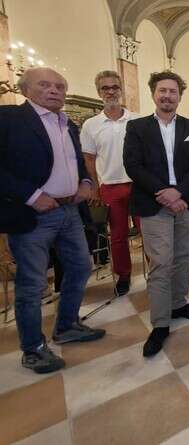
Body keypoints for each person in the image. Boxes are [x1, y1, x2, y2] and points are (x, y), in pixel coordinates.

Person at [0, 67, 105, 374]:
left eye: (60, 86)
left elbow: (76, 162)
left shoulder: (67, 123)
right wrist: (31, 196)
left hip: (68, 211)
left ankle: (67, 325)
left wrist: (85, 183)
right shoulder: (9, 119)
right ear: (25, 89)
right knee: (32, 284)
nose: (54, 90)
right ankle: (32, 348)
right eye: (45, 85)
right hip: (32, 214)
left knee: (81, 267)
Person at [123, 71, 189, 357]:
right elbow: (133, 166)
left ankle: (178, 303)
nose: (167, 96)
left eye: (173, 92)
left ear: (180, 96)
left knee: (184, 258)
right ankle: (160, 324)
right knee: (161, 262)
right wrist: (165, 192)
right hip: (154, 203)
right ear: (153, 94)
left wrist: (179, 192)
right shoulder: (137, 128)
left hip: (187, 203)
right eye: (163, 91)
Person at [80, 70, 140, 295]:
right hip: (111, 186)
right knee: (117, 235)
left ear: (121, 89)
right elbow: (89, 159)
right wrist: (94, 188)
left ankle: (157, 272)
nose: (111, 91)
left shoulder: (137, 119)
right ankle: (123, 276)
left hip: (139, 185)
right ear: (99, 92)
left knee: (151, 232)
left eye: (115, 87)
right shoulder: (91, 125)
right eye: (106, 88)